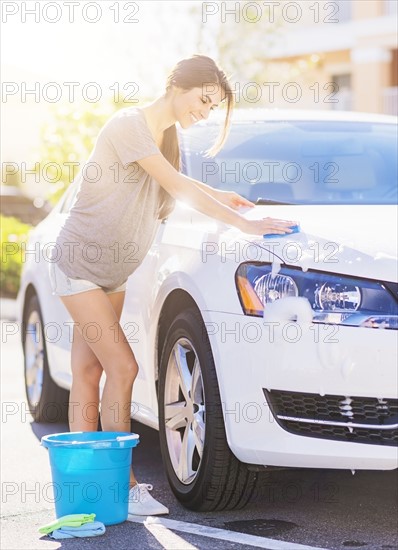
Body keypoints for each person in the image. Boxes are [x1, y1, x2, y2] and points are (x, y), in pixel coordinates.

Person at [48, 54, 296, 516]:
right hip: (79, 261)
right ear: (179, 86)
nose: (203, 113)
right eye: (203, 100)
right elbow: (178, 186)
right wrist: (244, 224)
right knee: (123, 368)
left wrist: (226, 199)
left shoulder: (169, 140)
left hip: (114, 272)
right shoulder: (130, 124)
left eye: (211, 107)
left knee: (90, 372)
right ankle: (123, 488)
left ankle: (85, 493)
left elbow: (169, 192)